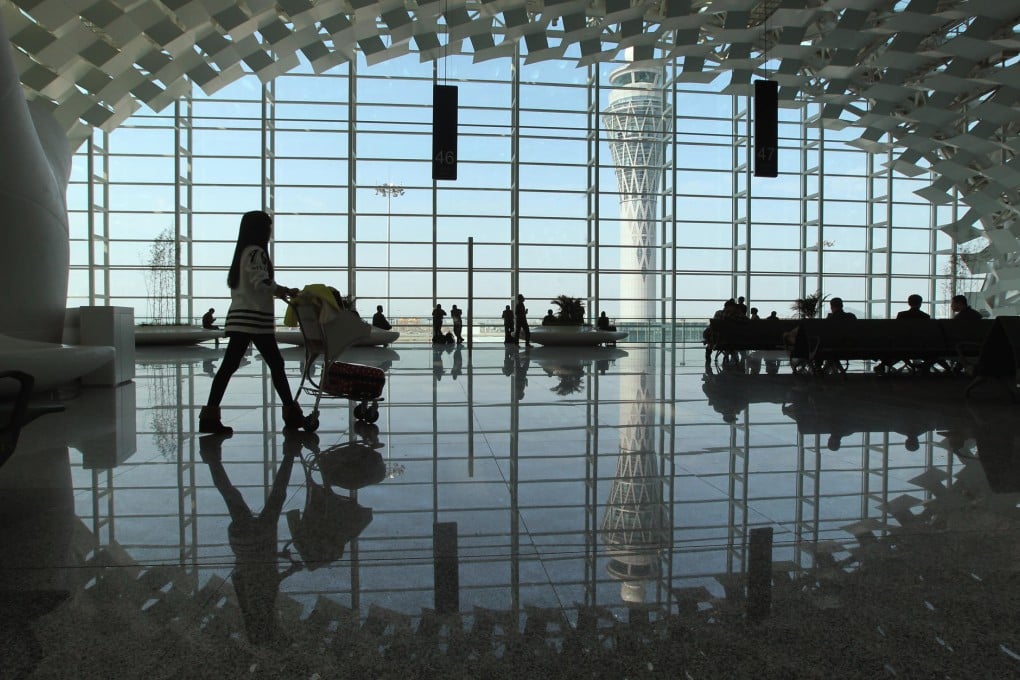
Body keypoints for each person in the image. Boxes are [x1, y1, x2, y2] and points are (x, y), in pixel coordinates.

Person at [201, 211, 303, 434]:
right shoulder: (256, 253)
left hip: (242, 318)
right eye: (268, 227)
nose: (270, 231)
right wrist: (283, 290)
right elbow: (261, 282)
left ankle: (209, 415)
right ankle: (292, 414)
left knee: (230, 366)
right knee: (275, 365)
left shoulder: (243, 253)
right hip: (254, 319)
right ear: (259, 230)